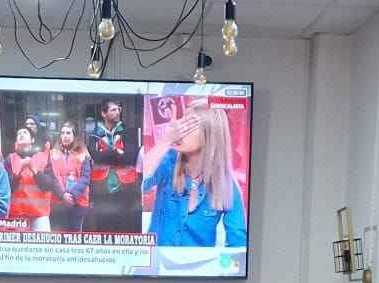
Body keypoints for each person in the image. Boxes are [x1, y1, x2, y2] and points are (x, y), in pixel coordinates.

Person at [141, 104, 247, 251]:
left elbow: (238, 244)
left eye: (188, 125)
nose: (180, 131)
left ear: (209, 134)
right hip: (157, 268)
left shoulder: (225, 183)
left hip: (198, 270)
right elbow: (137, 184)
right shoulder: (168, 162)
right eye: (181, 123)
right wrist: (165, 141)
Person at [89, 97, 141, 234]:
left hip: (125, 188)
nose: (117, 112)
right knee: (102, 226)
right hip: (102, 189)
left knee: (124, 227)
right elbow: (97, 158)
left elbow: (130, 158)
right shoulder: (95, 135)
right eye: (113, 110)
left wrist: (106, 153)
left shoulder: (128, 132)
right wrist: (116, 152)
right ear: (104, 113)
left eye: (118, 109)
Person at [6, 125, 58, 231]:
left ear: (32, 140)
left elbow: (49, 185)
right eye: (18, 134)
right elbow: (6, 188)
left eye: (24, 132)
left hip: (39, 214)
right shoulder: (9, 159)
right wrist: (18, 172)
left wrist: (34, 169)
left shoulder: (44, 157)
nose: (21, 135)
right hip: (16, 215)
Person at [49, 119, 90, 234]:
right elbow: (51, 176)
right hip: (57, 202)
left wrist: (71, 196)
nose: (65, 136)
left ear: (74, 136)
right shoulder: (52, 153)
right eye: (62, 133)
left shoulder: (84, 154)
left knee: (74, 238)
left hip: (77, 203)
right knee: (57, 238)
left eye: (68, 133)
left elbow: (85, 178)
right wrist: (62, 195)